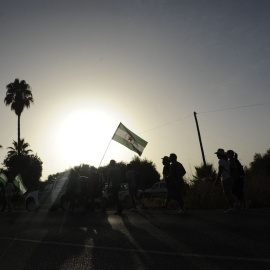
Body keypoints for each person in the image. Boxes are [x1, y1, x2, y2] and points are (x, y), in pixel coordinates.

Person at [214, 148, 235, 213]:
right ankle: (233, 206)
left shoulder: (221, 161)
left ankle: (231, 207)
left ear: (220, 155)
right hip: (229, 178)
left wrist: (216, 180)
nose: (217, 155)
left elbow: (220, 171)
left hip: (225, 179)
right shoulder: (226, 161)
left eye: (218, 154)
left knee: (227, 193)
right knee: (229, 193)